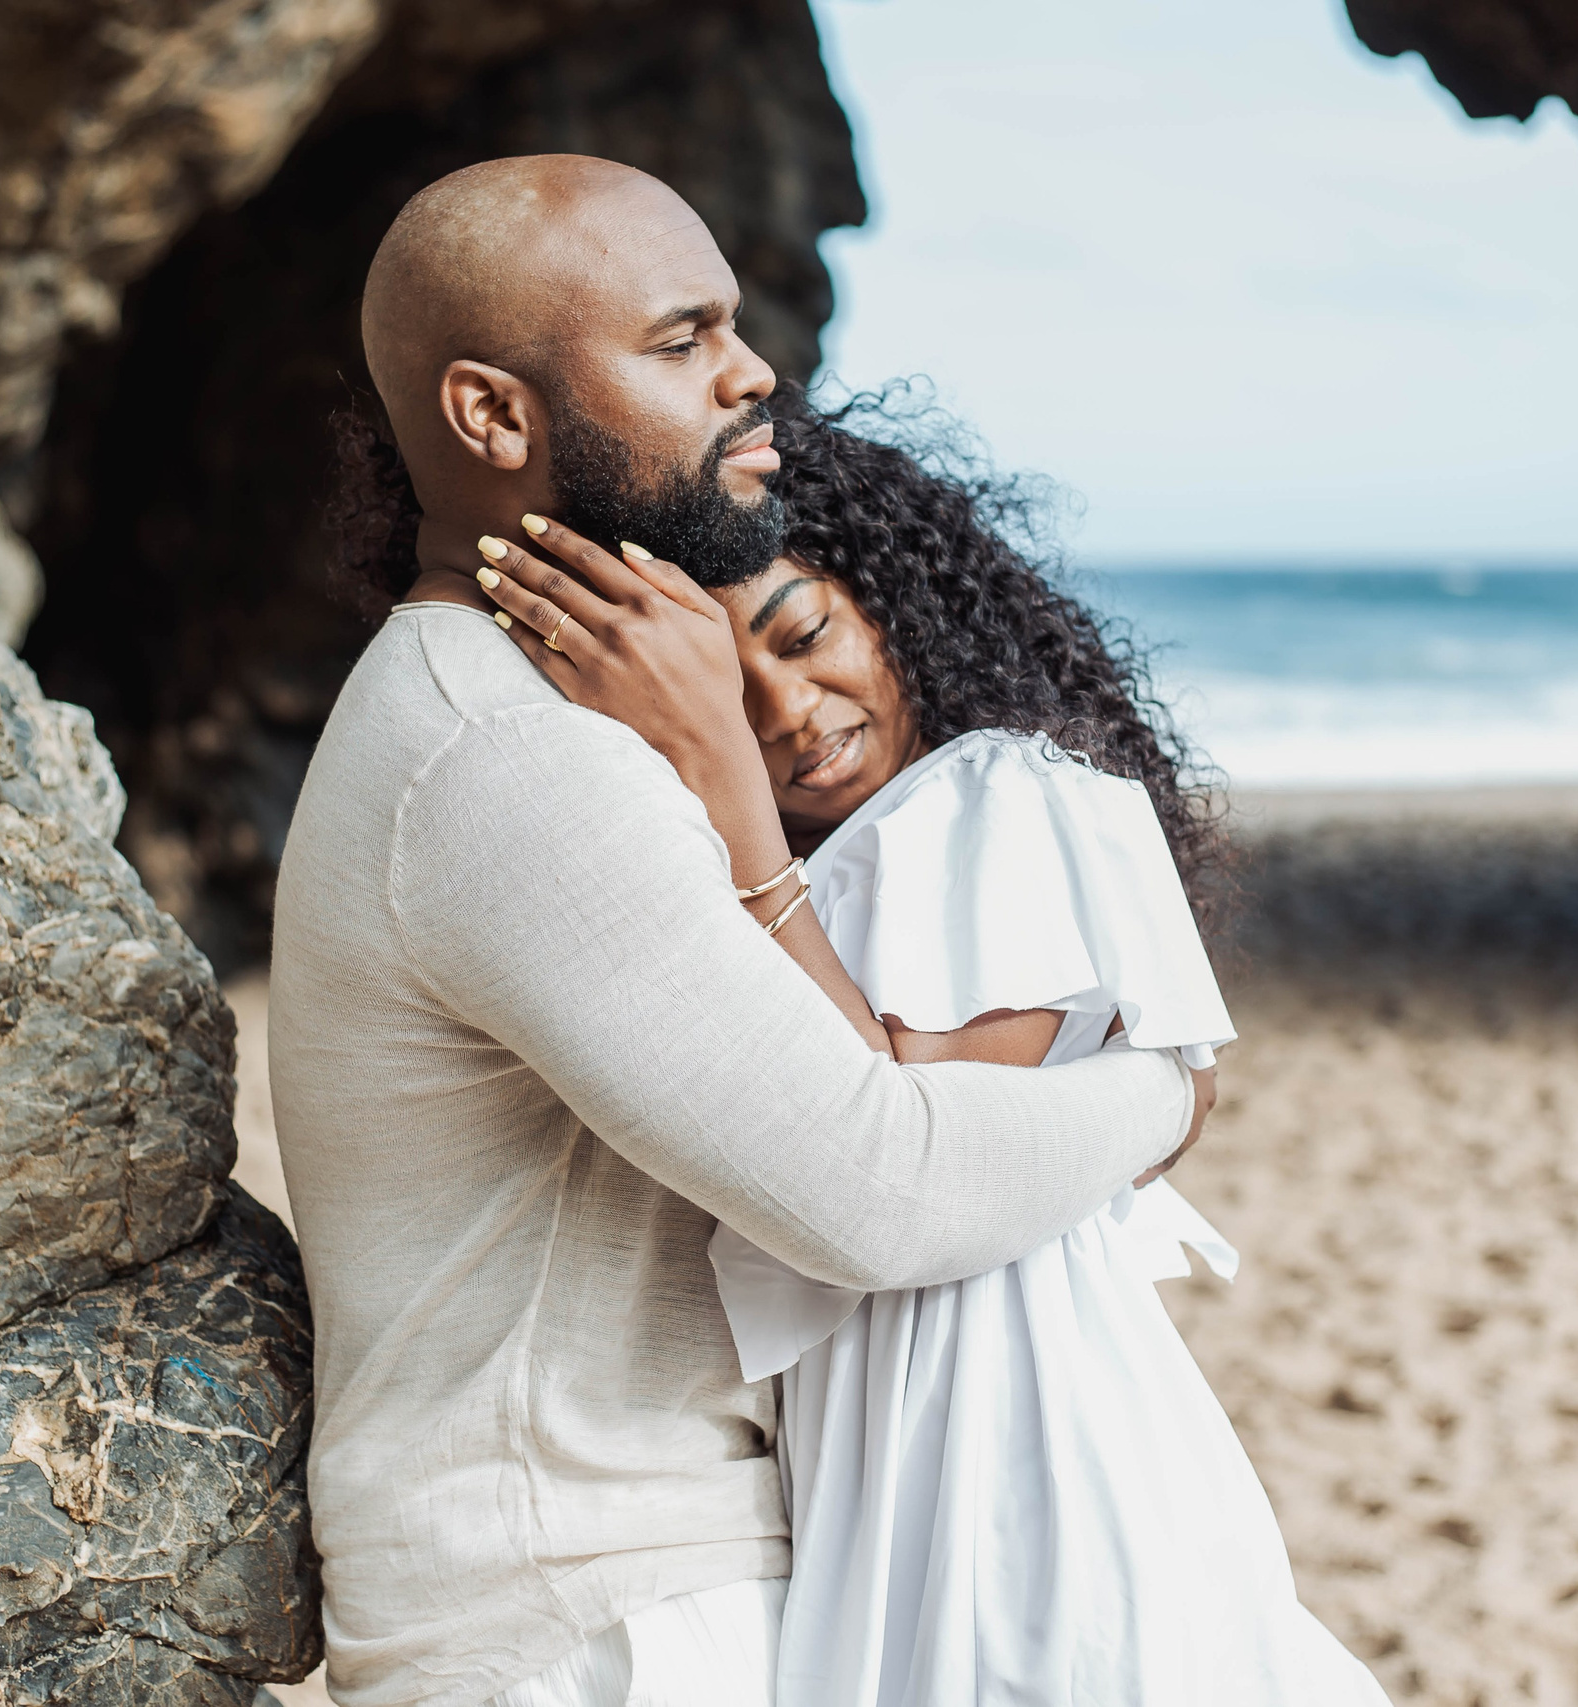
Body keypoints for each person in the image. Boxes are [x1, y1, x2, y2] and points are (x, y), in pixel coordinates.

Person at [274, 155, 1207, 1706]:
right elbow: (879, 1191)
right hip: (593, 1623)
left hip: (636, 1601)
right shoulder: (510, 757)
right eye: (679, 337)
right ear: (494, 418)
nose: (752, 370)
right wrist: (1170, 1086)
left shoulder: (512, 718)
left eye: (736, 324)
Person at [700, 392, 1393, 1703]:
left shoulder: (997, 795)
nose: (788, 711)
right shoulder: (833, 861)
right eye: (730, 702)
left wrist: (745, 844)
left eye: (806, 636)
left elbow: (893, 1128)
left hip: (1019, 1434)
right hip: (882, 1444)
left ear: (895, 601)